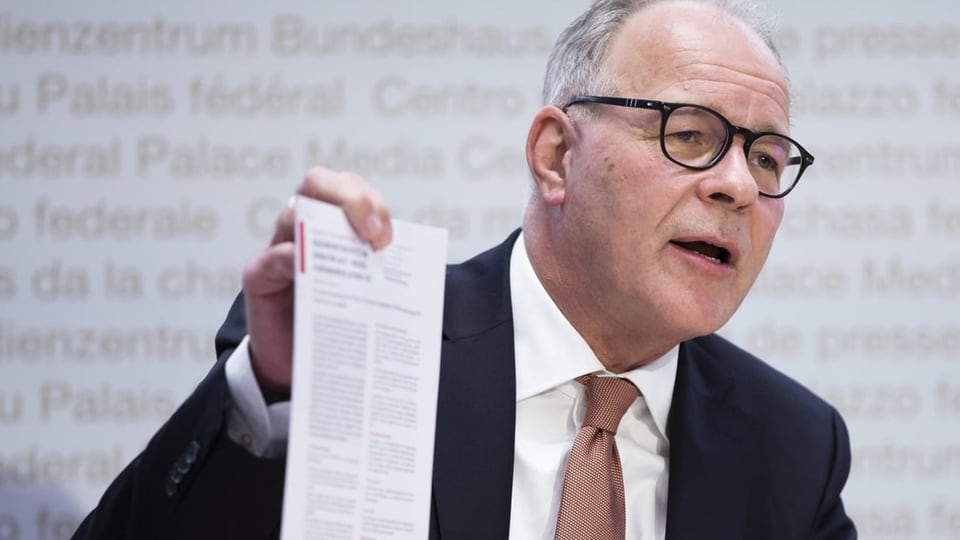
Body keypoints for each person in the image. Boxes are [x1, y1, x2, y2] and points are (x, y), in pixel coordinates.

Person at [73, 0, 857, 538]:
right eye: (691, 135)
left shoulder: (792, 444)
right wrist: (269, 399)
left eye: (767, 156)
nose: (739, 185)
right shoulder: (366, 339)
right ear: (556, 157)